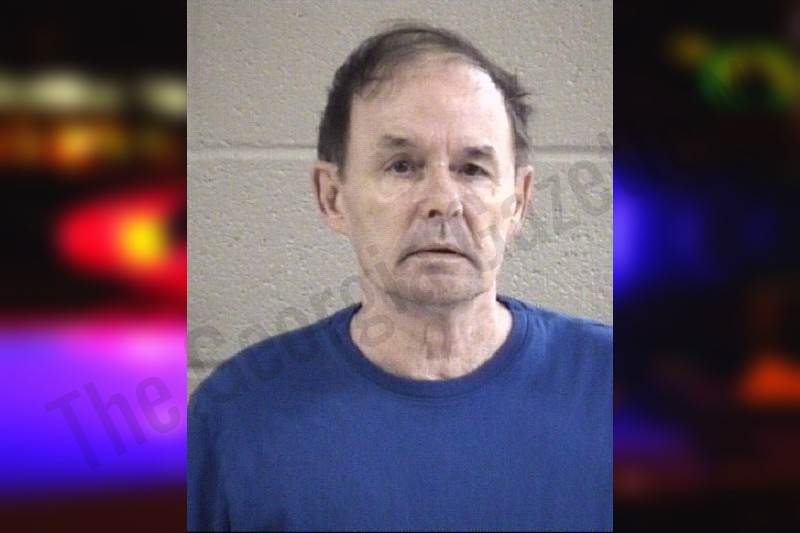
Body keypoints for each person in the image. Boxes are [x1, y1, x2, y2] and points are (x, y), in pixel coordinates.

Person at [188, 22, 612, 532]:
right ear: (332, 196)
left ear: (518, 202)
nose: (443, 201)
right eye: (402, 166)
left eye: (473, 169)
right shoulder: (236, 417)